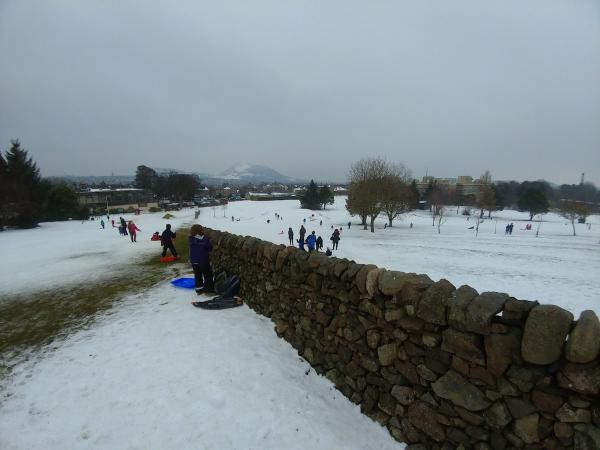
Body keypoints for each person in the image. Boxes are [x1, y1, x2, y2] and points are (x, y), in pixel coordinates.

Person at [189, 224, 214, 294]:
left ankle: (199, 290)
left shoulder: (191, 239)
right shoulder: (204, 239)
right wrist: (207, 240)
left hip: (194, 261)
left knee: (197, 275)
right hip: (203, 261)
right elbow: (210, 248)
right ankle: (209, 290)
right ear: (201, 231)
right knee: (208, 275)